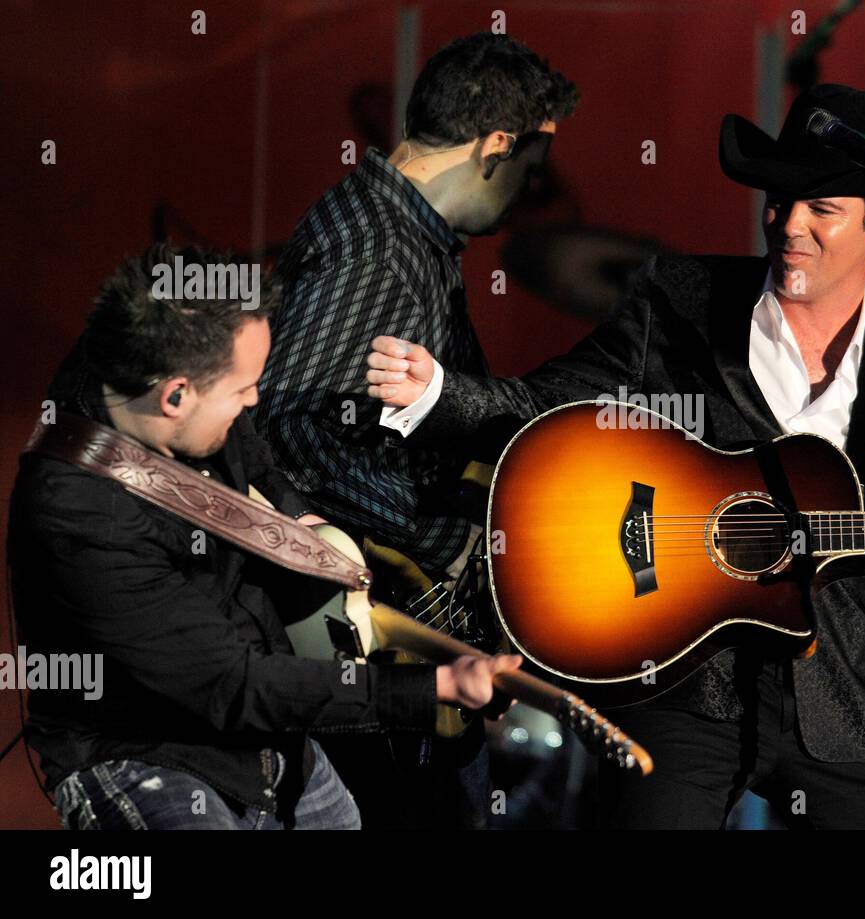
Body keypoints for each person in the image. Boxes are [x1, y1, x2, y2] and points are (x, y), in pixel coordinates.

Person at [364, 85, 865, 829]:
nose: (790, 225)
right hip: (685, 685)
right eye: (778, 200)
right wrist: (440, 395)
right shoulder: (682, 300)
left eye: (821, 208)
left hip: (844, 699)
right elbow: (548, 405)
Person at [8, 244, 521, 830]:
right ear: (174, 396)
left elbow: (255, 461)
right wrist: (434, 686)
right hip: (143, 753)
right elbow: (232, 685)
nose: (255, 400)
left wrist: (299, 524)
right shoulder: (80, 516)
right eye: (243, 389)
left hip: (260, 728)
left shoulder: (146, 358)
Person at [252, 32, 577, 828]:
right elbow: (286, 423)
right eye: (529, 168)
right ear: (498, 145)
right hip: (367, 646)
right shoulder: (373, 248)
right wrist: (435, 551)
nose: (527, 190)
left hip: (401, 647)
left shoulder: (412, 239)